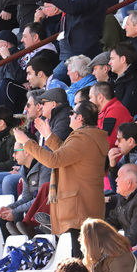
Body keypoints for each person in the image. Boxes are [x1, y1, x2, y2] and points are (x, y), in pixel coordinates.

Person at [13, 101, 109, 257]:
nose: (69, 115)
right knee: (83, 253)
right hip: (84, 204)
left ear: (80, 118)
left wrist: (26, 142)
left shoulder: (82, 139)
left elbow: (54, 160)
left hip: (79, 207)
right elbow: (66, 155)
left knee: (80, 255)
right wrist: (48, 136)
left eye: (72, 113)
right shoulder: (89, 137)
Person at [105, 163, 137, 246]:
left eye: (119, 177)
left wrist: (114, 248)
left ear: (129, 183)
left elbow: (135, 236)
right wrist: (99, 234)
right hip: (129, 243)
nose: (116, 180)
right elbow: (112, 221)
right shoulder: (124, 196)